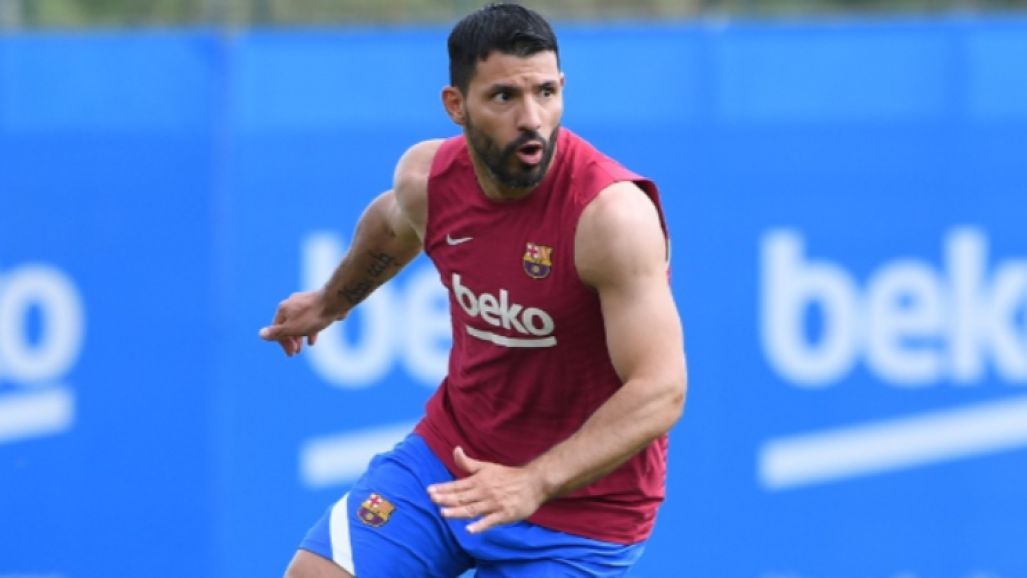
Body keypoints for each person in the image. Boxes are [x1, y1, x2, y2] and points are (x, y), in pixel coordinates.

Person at [260, 4, 687, 577]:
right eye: (504, 97)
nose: (531, 118)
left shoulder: (611, 217)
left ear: (562, 89)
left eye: (545, 93)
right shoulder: (428, 179)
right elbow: (392, 226)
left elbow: (661, 390)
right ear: (456, 105)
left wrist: (532, 482)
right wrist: (329, 303)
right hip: (449, 462)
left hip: (579, 517)